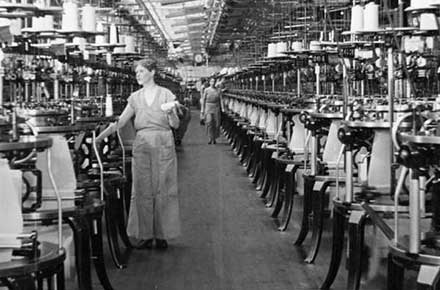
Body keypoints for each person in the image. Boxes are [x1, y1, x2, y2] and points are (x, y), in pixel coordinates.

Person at [96, 59, 181, 250]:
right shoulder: (135, 97)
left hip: (163, 142)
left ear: (152, 72)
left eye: (141, 71)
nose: (138, 75)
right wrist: (99, 138)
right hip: (142, 144)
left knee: (163, 188)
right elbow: (121, 122)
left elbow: (175, 125)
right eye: (137, 72)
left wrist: (170, 114)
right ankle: (144, 234)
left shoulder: (166, 95)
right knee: (142, 188)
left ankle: (162, 235)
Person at [201, 78, 224, 144]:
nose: (213, 83)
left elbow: (221, 99)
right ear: (210, 82)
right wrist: (202, 109)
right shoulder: (206, 90)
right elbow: (204, 100)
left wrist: (222, 108)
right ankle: (210, 138)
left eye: (214, 81)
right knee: (209, 122)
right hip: (208, 107)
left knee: (216, 124)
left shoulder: (218, 90)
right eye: (211, 81)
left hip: (216, 107)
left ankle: (214, 138)